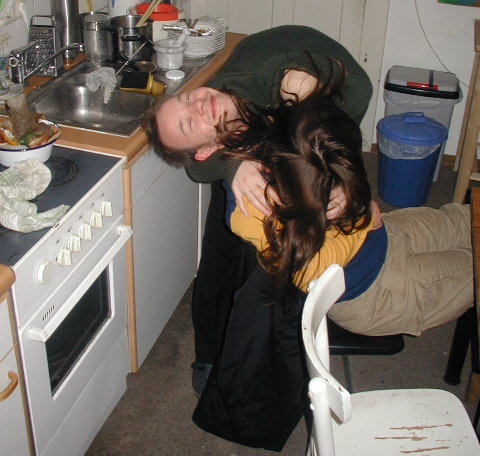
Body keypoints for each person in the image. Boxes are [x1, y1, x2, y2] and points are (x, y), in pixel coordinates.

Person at [144, 25, 373, 394]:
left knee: (296, 226)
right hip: (256, 133)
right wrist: (234, 168)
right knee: (222, 252)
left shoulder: (279, 88)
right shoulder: (221, 130)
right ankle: (209, 355)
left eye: (186, 98)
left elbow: (355, 99)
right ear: (207, 148)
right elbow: (198, 168)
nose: (198, 101)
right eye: (187, 119)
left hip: (326, 102)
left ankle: (292, 330)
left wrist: (343, 181)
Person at [226, 93, 473, 337]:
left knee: (465, 219)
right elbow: (315, 272)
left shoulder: (287, 145)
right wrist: (364, 221)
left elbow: (356, 88)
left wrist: (351, 198)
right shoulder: (254, 213)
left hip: (385, 237)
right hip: (376, 292)